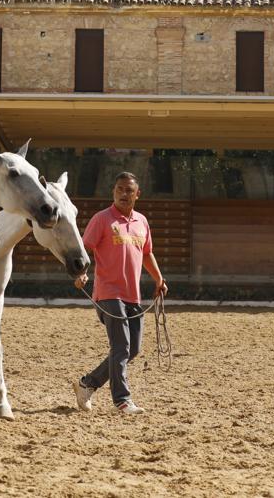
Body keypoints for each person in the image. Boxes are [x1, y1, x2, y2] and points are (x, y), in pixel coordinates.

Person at [72, 172, 166, 414]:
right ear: (114, 191)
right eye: (119, 189)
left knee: (131, 348)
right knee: (122, 346)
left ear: (137, 194)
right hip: (108, 293)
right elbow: (85, 248)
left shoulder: (142, 222)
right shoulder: (102, 219)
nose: (124, 194)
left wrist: (159, 279)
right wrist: (82, 273)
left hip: (132, 294)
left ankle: (87, 383)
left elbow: (146, 253)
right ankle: (121, 400)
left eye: (129, 190)